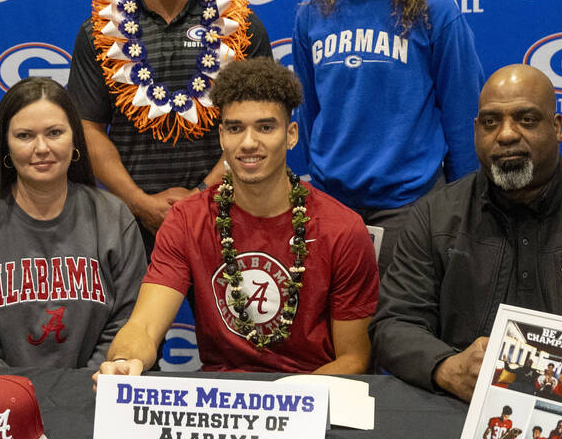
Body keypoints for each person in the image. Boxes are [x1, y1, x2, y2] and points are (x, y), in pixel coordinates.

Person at [370, 64, 562, 401]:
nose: (506, 134)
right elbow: (394, 323)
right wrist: (448, 368)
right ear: (476, 131)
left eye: (527, 119)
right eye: (491, 122)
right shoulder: (432, 217)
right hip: (458, 412)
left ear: (557, 127)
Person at [94, 58, 377, 380]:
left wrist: (281, 403)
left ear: (292, 135)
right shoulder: (188, 221)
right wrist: (124, 361)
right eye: (235, 128)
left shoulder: (341, 228)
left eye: (266, 127)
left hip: (314, 398)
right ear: (221, 137)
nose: (248, 143)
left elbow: (355, 359)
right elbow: (143, 325)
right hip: (223, 405)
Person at [292, 0, 483, 272]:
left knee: (399, 328)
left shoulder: (434, 10)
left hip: (410, 206)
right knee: (335, 329)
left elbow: (463, 113)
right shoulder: (314, 10)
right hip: (331, 204)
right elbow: (308, 111)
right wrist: (321, 181)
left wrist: (464, 204)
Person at [69, 0, 273, 250]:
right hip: (130, 222)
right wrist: (139, 202)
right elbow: (87, 128)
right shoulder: (101, 31)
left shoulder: (240, 27)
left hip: (227, 216)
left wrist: (200, 196)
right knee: (135, 312)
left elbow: (262, 128)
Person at [0, 77, 147, 368]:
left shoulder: (113, 218)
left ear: (75, 140)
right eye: (25, 136)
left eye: (54, 132)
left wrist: (80, 390)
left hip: (92, 398)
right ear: (5, 146)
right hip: (3, 405)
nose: (42, 147)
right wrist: (23, 397)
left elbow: (129, 328)